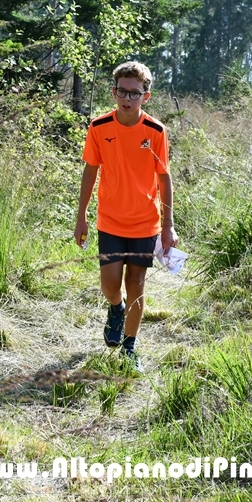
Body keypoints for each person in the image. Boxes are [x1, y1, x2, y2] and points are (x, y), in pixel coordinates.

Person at [73, 61, 178, 373]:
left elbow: (164, 178)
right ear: (114, 92)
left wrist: (168, 225)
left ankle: (130, 348)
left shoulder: (156, 131)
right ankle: (115, 308)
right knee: (109, 284)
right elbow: (90, 170)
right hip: (110, 219)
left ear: (146, 96)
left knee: (136, 283)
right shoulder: (99, 127)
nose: (127, 98)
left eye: (135, 93)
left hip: (145, 222)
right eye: (122, 91)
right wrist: (81, 217)